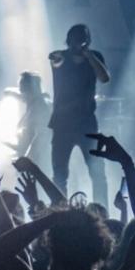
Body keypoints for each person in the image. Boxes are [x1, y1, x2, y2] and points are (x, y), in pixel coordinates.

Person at [48, 24, 111, 205]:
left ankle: (101, 210)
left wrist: (89, 55)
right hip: (62, 124)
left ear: (88, 40)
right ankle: (60, 213)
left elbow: (104, 78)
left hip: (87, 124)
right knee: (60, 174)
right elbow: (54, 60)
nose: (79, 42)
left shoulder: (95, 57)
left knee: (97, 172)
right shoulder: (59, 56)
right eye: (76, 38)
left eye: (83, 38)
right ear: (69, 40)